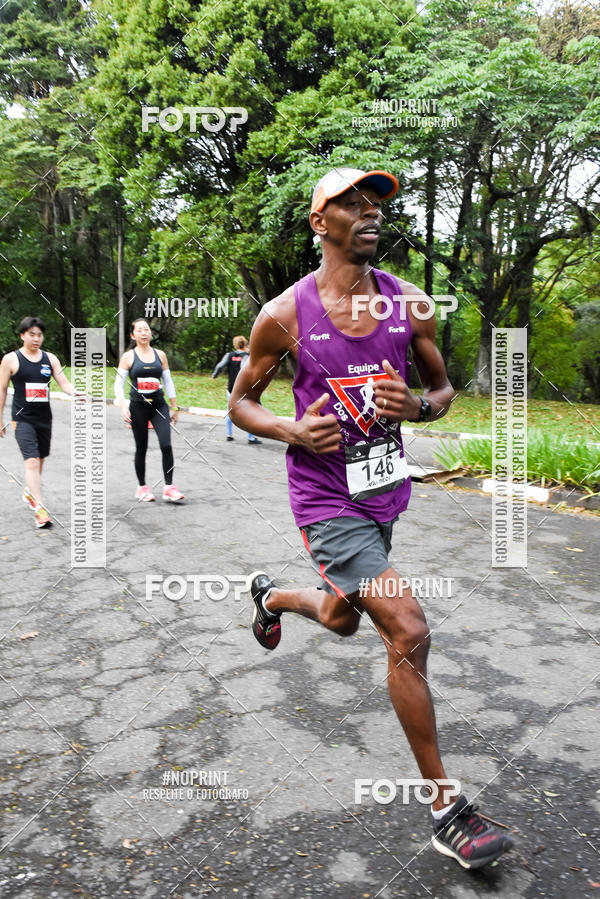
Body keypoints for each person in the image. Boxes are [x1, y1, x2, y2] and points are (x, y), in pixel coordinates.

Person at [230, 168, 513, 870]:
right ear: (318, 222)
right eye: (350, 205)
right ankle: (448, 808)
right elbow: (241, 402)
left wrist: (417, 406)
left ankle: (270, 597)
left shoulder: (410, 305)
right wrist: (292, 431)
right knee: (408, 627)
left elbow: (443, 389)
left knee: (342, 617)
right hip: (324, 500)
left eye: (376, 204)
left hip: (382, 494)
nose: (369, 214)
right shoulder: (284, 315)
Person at [0, 316, 78, 528]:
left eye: (39, 335)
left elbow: (64, 383)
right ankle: (40, 509)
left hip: (45, 419)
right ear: (22, 335)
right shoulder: (10, 360)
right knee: (32, 461)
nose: (36, 339)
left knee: (40, 459)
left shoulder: (50, 359)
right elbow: (2, 389)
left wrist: (76, 393)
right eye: (32, 334)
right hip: (22, 419)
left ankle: (29, 491)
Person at [114, 319, 184, 502]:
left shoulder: (160, 355)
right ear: (133, 334)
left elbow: (168, 381)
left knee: (166, 445)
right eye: (139, 330)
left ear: (150, 333)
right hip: (137, 406)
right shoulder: (128, 357)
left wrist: (174, 406)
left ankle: (169, 487)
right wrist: (123, 405)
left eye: (146, 329)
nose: (144, 333)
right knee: (141, 447)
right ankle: (142, 488)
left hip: (158, 405)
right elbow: (118, 384)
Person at [211, 336, 261, 444]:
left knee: (230, 411)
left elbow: (219, 366)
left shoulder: (229, 355)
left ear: (235, 345)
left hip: (231, 389)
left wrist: (214, 375)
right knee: (249, 412)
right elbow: (244, 371)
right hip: (244, 390)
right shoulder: (247, 356)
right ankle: (251, 437)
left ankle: (229, 435)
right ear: (246, 344)